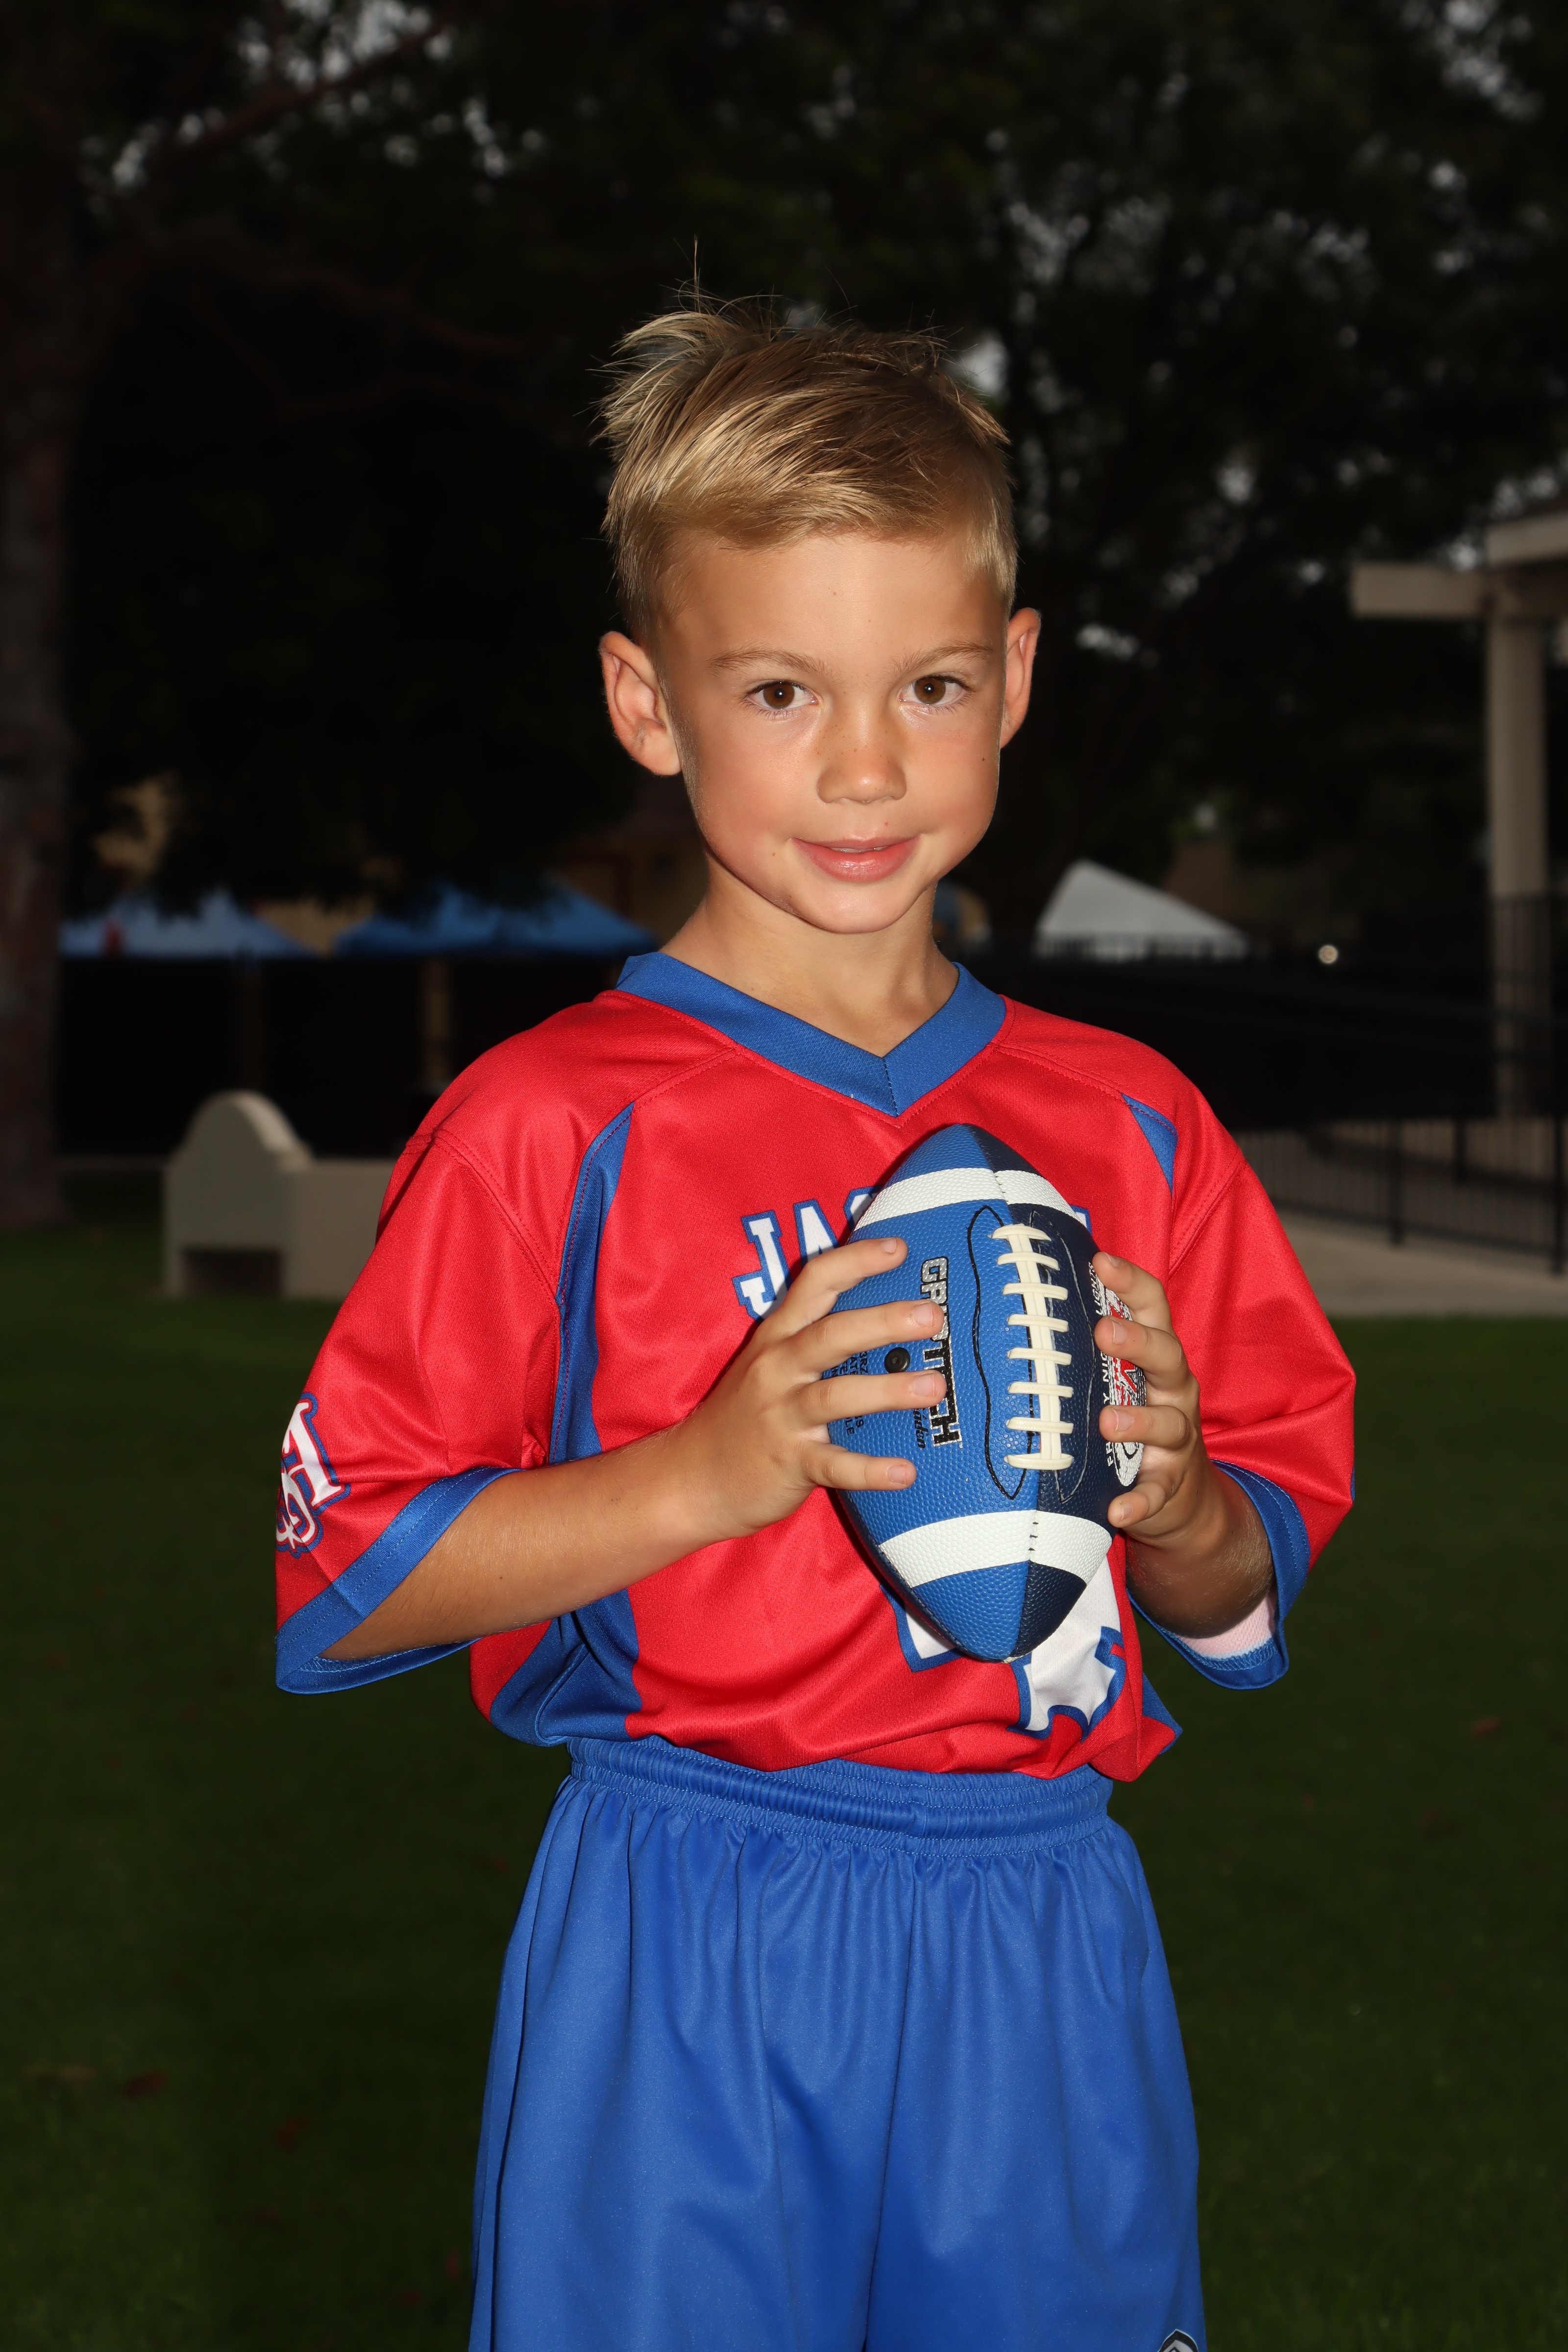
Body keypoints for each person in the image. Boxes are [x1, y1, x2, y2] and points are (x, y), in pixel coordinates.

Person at [275, 302, 1354, 2352]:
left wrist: (1188, 1502)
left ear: (1012, 677)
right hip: (689, 1921)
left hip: (1040, 1926)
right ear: (647, 701)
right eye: (779, 689)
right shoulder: (546, 1124)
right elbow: (348, 1580)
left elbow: (1243, 1598)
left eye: (927, 686)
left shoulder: (1134, 1124)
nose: (864, 765)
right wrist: (708, 1471)